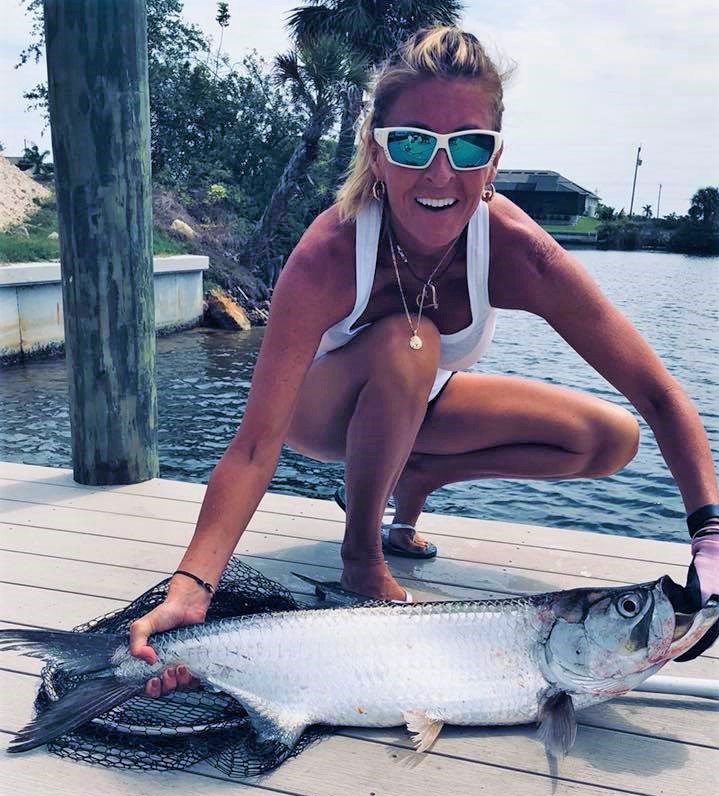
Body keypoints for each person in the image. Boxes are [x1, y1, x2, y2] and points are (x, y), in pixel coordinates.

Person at [129, 27, 719, 697]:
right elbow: (255, 447)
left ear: (494, 160)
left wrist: (710, 539)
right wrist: (191, 586)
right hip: (318, 418)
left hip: (419, 403)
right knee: (410, 340)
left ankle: (416, 481)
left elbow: (659, 395)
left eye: (468, 146)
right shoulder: (329, 253)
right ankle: (361, 551)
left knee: (610, 438)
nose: (440, 173)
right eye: (411, 144)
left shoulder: (518, 252)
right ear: (376, 152)